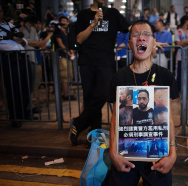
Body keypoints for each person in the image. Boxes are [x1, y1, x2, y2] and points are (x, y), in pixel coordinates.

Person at [106, 19, 179, 186]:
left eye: (146, 35)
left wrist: (173, 153)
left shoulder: (165, 75)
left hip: (157, 155)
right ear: (129, 44)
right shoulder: (119, 77)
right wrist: (113, 153)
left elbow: (169, 119)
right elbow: (114, 118)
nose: (141, 38)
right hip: (126, 153)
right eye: (135, 35)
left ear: (154, 43)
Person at [69, 0, 131, 146]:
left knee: (103, 94)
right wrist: (93, 24)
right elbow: (79, 39)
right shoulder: (84, 14)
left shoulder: (113, 13)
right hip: (86, 61)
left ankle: (78, 122)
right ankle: (94, 135)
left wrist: (147, 34)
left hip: (105, 61)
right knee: (90, 98)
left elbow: (128, 27)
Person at [0, 3, 31, 127]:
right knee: (13, 89)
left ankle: (23, 113)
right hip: (8, 58)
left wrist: (21, 40)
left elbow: (24, 41)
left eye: (1, 10)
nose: (0, 13)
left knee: (26, 86)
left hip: (21, 56)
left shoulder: (10, 25)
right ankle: (15, 116)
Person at [54, 16, 76, 101]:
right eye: (63, 21)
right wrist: (69, 53)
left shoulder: (67, 33)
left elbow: (69, 44)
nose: (66, 23)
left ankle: (65, 93)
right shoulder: (58, 32)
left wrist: (71, 52)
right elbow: (60, 44)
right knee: (64, 76)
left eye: (66, 21)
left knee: (69, 76)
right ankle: (65, 94)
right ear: (60, 22)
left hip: (68, 57)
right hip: (61, 56)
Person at [174, 15, 188, 98]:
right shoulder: (178, 31)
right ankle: (178, 91)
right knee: (179, 74)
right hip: (180, 56)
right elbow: (177, 43)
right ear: (186, 21)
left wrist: (183, 42)